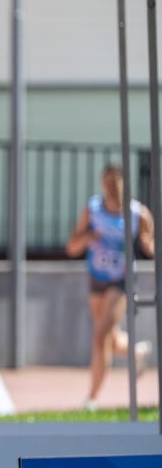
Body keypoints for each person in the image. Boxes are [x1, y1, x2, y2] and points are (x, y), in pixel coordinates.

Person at [65, 162, 155, 409]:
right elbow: (72, 246)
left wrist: (149, 245)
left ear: (124, 184)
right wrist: (89, 237)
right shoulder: (93, 210)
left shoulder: (138, 214)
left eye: (114, 183)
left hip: (121, 281)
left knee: (100, 336)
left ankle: (92, 398)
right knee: (108, 339)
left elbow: (150, 246)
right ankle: (136, 352)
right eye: (106, 183)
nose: (110, 189)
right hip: (96, 278)